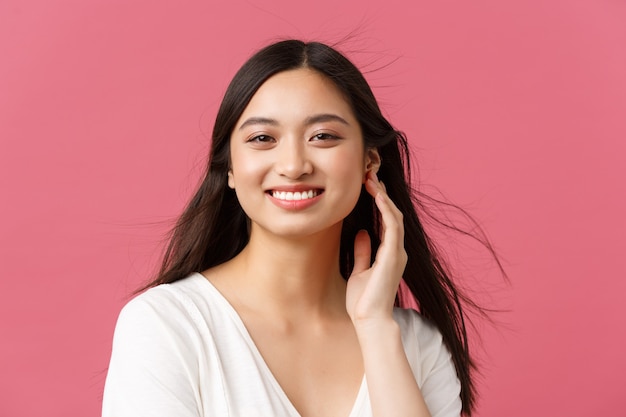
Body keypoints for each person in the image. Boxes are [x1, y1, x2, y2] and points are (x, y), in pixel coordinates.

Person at [103, 39, 492, 417]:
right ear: (231, 169)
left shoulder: (416, 345)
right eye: (262, 139)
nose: (293, 165)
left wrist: (375, 327)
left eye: (322, 136)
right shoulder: (167, 327)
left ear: (369, 162)